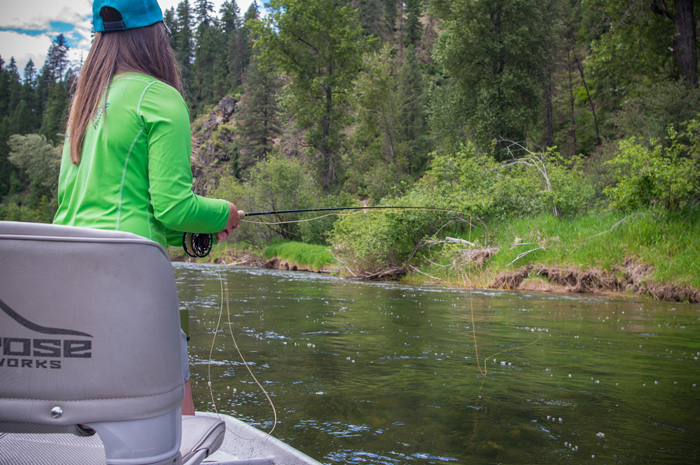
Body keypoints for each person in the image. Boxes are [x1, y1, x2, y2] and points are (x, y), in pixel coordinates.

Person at [53, 0, 239, 415]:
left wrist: (195, 236)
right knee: (179, 400)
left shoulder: (83, 108)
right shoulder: (159, 97)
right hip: (128, 272)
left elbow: (89, 205)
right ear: (156, 35)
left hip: (62, 273)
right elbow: (174, 207)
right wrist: (222, 213)